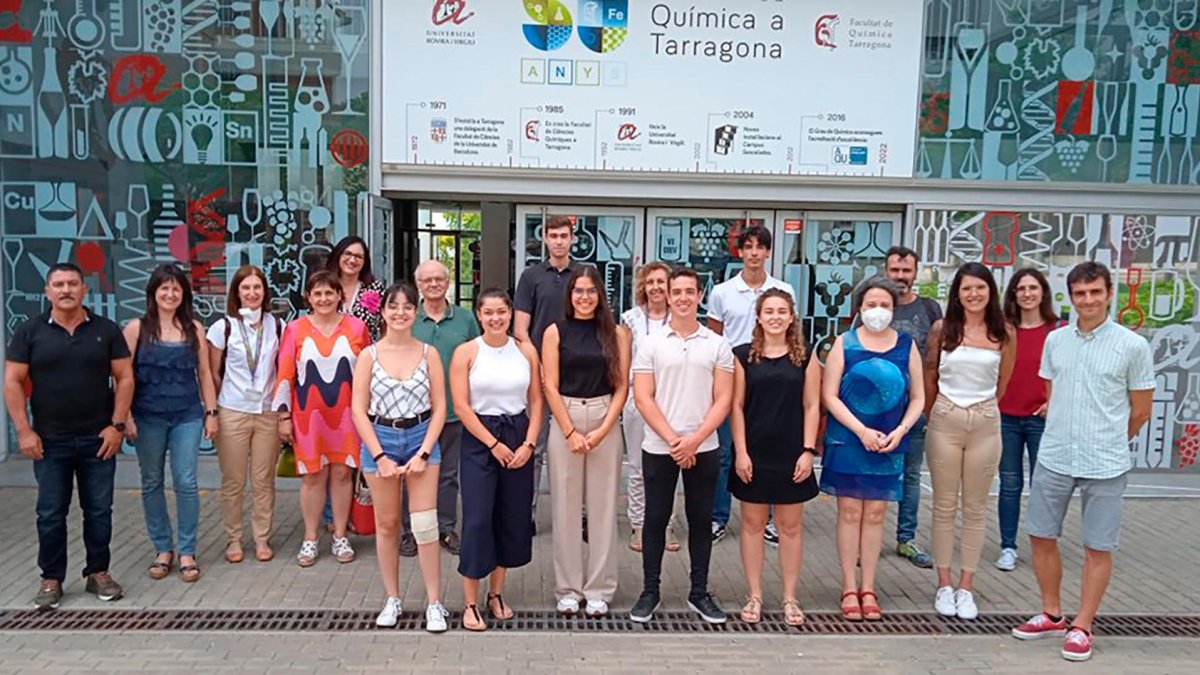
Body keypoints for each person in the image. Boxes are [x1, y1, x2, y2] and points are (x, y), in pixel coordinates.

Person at [1011, 262, 1154, 662]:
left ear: (1110, 293)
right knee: (1040, 535)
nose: (1087, 300)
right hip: (1055, 455)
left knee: (1097, 546)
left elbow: (1141, 410)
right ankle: (1053, 612)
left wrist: (1109, 439)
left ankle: (1083, 625)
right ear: (1070, 297)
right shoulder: (1056, 342)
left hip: (1105, 464)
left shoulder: (1131, 346)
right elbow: (1052, 392)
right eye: (1080, 294)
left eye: (1095, 292)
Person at [4, 263, 133, 610]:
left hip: (98, 439)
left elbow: (124, 378)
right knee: (49, 513)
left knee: (99, 511)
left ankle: (98, 572)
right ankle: (51, 578)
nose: (66, 290)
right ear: (47, 292)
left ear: (83, 290)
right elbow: (12, 381)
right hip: (48, 441)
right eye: (58, 284)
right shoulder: (29, 332)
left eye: (72, 283)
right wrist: (24, 431)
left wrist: (117, 425)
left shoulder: (105, 330)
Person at [630, 267, 734, 625]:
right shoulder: (651, 343)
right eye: (678, 292)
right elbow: (643, 397)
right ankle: (650, 591)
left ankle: (699, 592)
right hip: (660, 446)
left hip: (704, 447)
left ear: (700, 295)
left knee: (700, 520)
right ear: (668, 296)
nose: (684, 298)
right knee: (655, 519)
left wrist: (694, 439)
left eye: (691, 291)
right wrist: (675, 440)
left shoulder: (717, 344)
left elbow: (723, 399)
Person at [821, 276, 924, 622]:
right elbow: (829, 395)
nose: (877, 311)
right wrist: (861, 430)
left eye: (884, 306)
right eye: (870, 305)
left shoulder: (906, 345)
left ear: (894, 310)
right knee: (850, 512)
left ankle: (869, 586)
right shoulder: (844, 343)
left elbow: (919, 397)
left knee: (877, 513)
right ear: (859, 308)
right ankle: (849, 586)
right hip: (850, 439)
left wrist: (901, 430)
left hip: (889, 440)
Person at [350, 281, 449, 633]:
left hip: (422, 437)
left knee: (425, 526)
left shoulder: (428, 353)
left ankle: (434, 603)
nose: (401, 312)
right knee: (388, 525)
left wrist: (424, 453)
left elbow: (440, 408)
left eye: (408, 306)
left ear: (416, 311)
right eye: (394, 306)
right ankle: (393, 598)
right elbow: (358, 411)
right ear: (383, 312)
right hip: (381, 440)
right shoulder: (369, 355)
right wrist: (380, 456)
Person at [924, 263, 1015, 620]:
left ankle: (966, 586)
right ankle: (944, 583)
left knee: (976, 509)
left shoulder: (1003, 332)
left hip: (985, 422)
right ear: (956, 293)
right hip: (945, 419)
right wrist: (935, 414)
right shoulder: (941, 330)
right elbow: (930, 376)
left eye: (980, 287)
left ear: (990, 291)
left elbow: (1002, 383)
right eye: (966, 289)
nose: (973, 294)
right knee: (944, 506)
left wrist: (983, 410)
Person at [450, 289, 544, 631]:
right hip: (480, 438)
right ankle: (470, 601)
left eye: (501, 312)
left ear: (509, 314)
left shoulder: (525, 351)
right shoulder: (466, 353)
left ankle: (496, 593)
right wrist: (492, 444)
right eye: (488, 312)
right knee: (477, 519)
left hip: (518, 434)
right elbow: (461, 406)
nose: (495, 318)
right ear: (478, 314)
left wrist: (529, 443)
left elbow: (536, 400)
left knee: (510, 516)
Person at [542, 265, 631, 618]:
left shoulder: (618, 334)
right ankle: (567, 588)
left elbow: (623, 386)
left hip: (604, 417)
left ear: (600, 295)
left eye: (590, 291)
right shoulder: (554, 331)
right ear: (570, 296)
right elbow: (549, 383)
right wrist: (569, 432)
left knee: (603, 509)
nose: (584, 297)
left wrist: (603, 429)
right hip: (565, 416)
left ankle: (599, 589)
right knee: (564, 508)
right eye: (578, 291)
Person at [730, 289, 822, 626]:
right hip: (754, 453)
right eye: (768, 311)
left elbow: (813, 405)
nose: (775, 317)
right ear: (758, 317)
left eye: (781, 311)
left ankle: (789, 597)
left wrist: (808, 450)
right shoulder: (742, 356)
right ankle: (754, 594)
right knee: (752, 526)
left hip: (792, 453)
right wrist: (740, 451)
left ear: (791, 317)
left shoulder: (806, 357)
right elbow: (736, 407)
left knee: (790, 527)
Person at [123, 265, 220, 584]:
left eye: (176, 289)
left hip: (187, 416)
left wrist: (211, 412)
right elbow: (123, 377)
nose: (170, 294)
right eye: (164, 289)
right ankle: (163, 548)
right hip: (147, 417)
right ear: (153, 293)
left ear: (184, 294)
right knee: (151, 481)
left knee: (186, 480)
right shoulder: (136, 329)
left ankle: (188, 550)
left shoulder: (194, 329)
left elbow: (205, 374)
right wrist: (125, 416)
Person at [273, 270, 371, 567]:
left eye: (330, 292)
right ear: (309, 298)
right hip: (308, 416)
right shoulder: (294, 329)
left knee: (343, 474)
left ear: (340, 295)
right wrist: (283, 416)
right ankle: (311, 538)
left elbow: (368, 374)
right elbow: (285, 374)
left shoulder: (357, 327)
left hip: (348, 416)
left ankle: (340, 536)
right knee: (313, 476)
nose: (324, 298)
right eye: (318, 293)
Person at [856, 246, 943, 569]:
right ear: (886, 270)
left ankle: (906, 538)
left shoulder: (930, 309)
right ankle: (865, 543)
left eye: (907, 271)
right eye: (895, 270)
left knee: (909, 475)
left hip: (911, 412)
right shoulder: (869, 310)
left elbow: (936, 363)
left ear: (915, 273)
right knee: (867, 477)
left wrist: (928, 411)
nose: (901, 277)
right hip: (871, 413)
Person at [706, 224, 793, 545]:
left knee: (766, 449)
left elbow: (790, 333)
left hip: (771, 378)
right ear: (740, 252)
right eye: (749, 247)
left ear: (768, 252)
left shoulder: (783, 290)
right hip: (731, 376)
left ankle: (769, 520)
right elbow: (714, 338)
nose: (755, 253)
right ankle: (718, 517)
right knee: (725, 451)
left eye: (761, 247)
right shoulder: (722, 292)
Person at [207, 265, 283, 564]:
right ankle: (234, 538)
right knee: (234, 480)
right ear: (236, 292)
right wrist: (212, 411)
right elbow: (213, 374)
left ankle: (262, 537)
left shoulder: (277, 325)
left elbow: (282, 370)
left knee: (264, 479)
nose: (252, 293)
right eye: (246, 288)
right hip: (233, 411)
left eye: (257, 288)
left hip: (267, 412)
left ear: (265, 292)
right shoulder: (222, 327)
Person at [406, 260, 481, 557]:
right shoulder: (408, 318)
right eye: (427, 280)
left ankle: (445, 527)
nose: (433, 284)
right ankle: (410, 531)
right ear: (418, 285)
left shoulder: (464, 319)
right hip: (414, 414)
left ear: (448, 282)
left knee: (449, 474)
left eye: (439, 279)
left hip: (453, 411)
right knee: (412, 474)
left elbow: (479, 358)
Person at [514, 216, 579, 528]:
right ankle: (526, 514)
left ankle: (577, 515)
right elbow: (520, 329)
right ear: (546, 239)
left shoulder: (583, 275)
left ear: (572, 239)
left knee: (573, 445)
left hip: (576, 378)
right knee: (535, 447)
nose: (558, 241)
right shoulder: (531, 276)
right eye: (553, 235)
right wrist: (537, 366)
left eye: (563, 235)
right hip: (537, 377)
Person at [996, 268, 1059, 572]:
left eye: (1033, 288)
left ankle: (1042, 545)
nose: (1027, 294)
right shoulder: (1004, 330)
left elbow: (1069, 373)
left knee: (1042, 485)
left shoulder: (1057, 331)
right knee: (1009, 484)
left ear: (1043, 292)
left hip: (1040, 418)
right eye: (1021, 289)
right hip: (1006, 416)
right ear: (1013, 294)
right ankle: (1008, 546)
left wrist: (1053, 401)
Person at [619, 262, 680, 553]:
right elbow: (623, 363)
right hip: (636, 399)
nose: (656, 287)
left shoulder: (680, 318)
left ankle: (666, 524)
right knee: (637, 467)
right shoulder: (630, 319)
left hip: (672, 400)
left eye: (661, 282)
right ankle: (639, 524)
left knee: (670, 465)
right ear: (643, 287)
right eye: (651, 282)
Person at [327, 235, 385, 341]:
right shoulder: (325, 287)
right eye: (348, 254)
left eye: (358, 256)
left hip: (365, 354)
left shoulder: (374, 289)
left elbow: (385, 325)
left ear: (365, 262)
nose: (352, 260)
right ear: (338, 256)